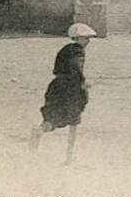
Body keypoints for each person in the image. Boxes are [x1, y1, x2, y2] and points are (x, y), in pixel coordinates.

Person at [30, 22, 96, 163]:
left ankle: (39, 131)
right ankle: (69, 158)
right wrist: (83, 83)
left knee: (54, 116)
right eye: (85, 38)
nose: (88, 41)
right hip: (71, 88)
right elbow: (76, 68)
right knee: (73, 121)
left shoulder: (65, 49)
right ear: (77, 38)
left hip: (56, 86)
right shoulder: (78, 51)